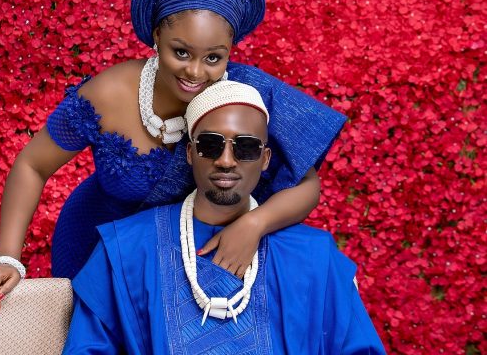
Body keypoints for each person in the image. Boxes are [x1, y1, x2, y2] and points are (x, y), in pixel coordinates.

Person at [0, 0, 347, 316]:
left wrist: (254, 224)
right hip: (96, 248)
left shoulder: (244, 96)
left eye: (213, 58)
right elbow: (33, 165)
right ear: (156, 37)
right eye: (181, 52)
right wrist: (7, 257)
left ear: (230, 52)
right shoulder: (108, 95)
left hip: (189, 258)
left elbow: (306, 186)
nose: (195, 72)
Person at [62, 81, 385, 354]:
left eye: (246, 148)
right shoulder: (126, 249)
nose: (226, 161)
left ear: (265, 159)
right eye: (210, 145)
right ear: (190, 153)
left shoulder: (313, 256)